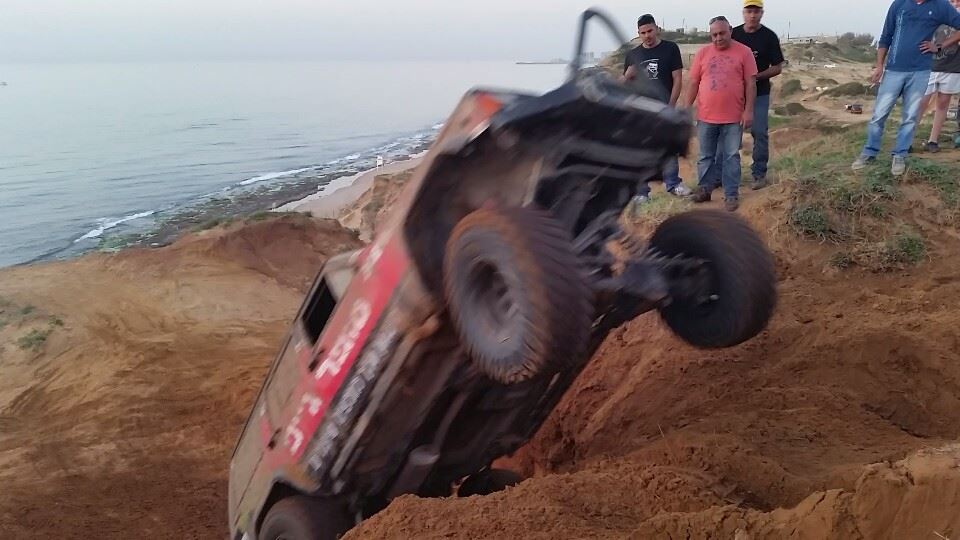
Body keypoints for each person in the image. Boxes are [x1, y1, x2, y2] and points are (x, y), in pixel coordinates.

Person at [852, 0, 960, 175]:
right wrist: (879, 66)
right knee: (879, 115)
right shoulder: (899, 4)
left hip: (920, 71)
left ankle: (900, 155)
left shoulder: (940, 5)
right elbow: (886, 35)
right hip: (893, 70)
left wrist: (939, 46)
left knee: (910, 116)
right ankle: (869, 152)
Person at [684, 16, 758, 212]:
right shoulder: (702, 53)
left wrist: (749, 111)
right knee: (705, 156)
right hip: (706, 117)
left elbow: (751, 84)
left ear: (730, 30)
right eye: (714, 35)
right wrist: (686, 107)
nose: (718, 38)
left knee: (731, 157)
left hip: (733, 117)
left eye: (722, 33)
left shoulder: (744, 52)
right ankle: (704, 190)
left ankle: (731, 194)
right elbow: (693, 83)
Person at [712, 0, 784, 190]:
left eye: (756, 11)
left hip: (760, 92)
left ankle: (759, 173)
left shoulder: (769, 37)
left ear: (762, 13)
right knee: (725, 134)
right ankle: (719, 174)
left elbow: (777, 67)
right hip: (733, 94)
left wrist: (754, 77)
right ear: (743, 12)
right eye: (749, 11)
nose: (752, 15)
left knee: (759, 132)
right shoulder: (733, 34)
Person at [622, 14, 690, 205]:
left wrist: (671, 104)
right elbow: (624, 85)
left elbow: (677, 79)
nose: (647, 36)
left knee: (668, 147)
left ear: (657, 29)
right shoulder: (632, 55)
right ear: (638, 34)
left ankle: (673, 184)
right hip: (641, 110)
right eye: (643, 33)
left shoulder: (670, 48)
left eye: (650, 31)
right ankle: (642, 191)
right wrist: (627, 77)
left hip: (664, 107)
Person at [917, 0, 960, 151]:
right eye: (952, 0)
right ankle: (906, 139)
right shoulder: (935, 10)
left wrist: (940, 46)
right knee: (921, 102)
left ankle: (933, 141)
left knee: (943, 102)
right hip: (929, 64)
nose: (956, 4)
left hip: (952, 65)